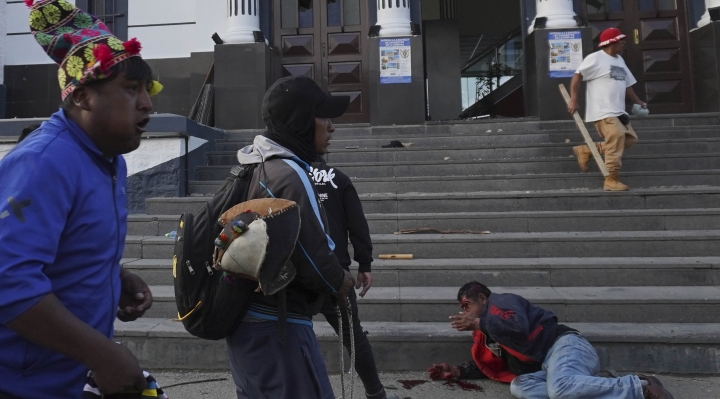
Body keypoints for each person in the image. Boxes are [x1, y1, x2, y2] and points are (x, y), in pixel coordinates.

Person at [0, 1, 163, 397]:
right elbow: (8, 281)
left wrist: (113, 274)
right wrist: (102, 354)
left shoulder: (110, 161)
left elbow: (62, 244)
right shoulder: (43, 162)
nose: (147, 103)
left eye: (147, 89)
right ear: (83, 97)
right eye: (130, 89)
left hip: (66, 381)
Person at [227, 75, 356, 399]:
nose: (331, 127)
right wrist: (339, 280)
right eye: (324, 117)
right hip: (277, 330)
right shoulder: (289, 174)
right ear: (301, 122)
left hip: (250, 327)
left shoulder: (257, 165)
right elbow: (312, 256)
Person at [428, 281, 675, 399]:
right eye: (461, 308)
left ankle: (639, 386)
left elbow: (519, 326)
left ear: (482, 298)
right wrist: (458, 371)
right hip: (548, 367)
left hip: (565, 347)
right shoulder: (488, 330)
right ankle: (594, 385)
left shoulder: (501, 303)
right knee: (520, 387)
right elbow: (495, 360)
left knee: (558, 390)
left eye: (467, 305)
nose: (464, 312)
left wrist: (481, 322)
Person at [311, 154, 399, 399]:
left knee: (296, 332)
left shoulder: (286, 176)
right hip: (335, 271)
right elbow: (357, 223)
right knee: (353, 335)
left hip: (299, 271)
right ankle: (375, 393)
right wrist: (365, 263)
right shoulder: (339, 179)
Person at [567, 27, 648, 191]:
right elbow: (577, 76)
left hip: (618, 111)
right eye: (621, 40)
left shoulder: (619, 60)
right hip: (602, 110)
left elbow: (627, 85)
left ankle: (586, 150)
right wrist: (574, 100)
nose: (624, 42)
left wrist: (638, 100)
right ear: (612, 42)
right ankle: (611, 179)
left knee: (630, 139)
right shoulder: (595, 58)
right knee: (617, 137)